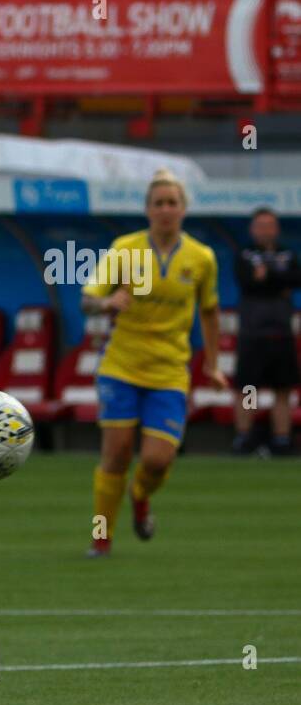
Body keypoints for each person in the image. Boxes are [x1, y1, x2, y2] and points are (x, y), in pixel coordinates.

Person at [81, 169, 227, 557]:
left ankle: (141, 495)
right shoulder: (124, 249)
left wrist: (213, 365)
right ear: (147, 210)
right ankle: (101, 538)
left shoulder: (201, 258)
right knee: (115, 453)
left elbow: (210, 313)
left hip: (169, 372)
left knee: (158, 460)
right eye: (158, 203)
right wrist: (106, 302)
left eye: (172, 203)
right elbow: (87, 297)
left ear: (183, 209)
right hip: (121, 366)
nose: (165, 209)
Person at [232, 207, 299, 456]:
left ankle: (281, 438)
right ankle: (246, 436)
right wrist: (277, 281)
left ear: (277, 228)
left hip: (281, 333)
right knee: (249, 389)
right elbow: (248, 281)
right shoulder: (245, 254)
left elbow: (295, 279)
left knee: (282, 389)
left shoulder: (287, 254)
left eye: (269, 225)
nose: (265, 230)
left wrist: (267, 276)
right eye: (260, 225)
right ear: (252, 229)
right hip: (253, 334)